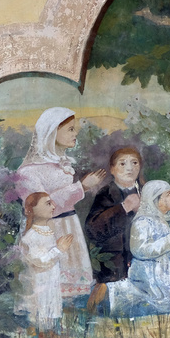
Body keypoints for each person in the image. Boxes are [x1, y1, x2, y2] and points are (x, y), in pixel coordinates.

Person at [16, 107, 106, 298]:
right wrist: (81, 187)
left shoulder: (61, 163)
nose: (76, 133)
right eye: (70, 129)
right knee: (48, 284)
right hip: (46, 230)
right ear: (52, 132)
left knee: (75, 286)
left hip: (68, 225)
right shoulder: (28, 172)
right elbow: (41, 207)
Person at [87, 180, 170, 317]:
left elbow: (161, 244)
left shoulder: (158, 220)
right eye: (169, 194)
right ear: (155, 199)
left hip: (159, 275)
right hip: (148, 276)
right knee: (160, 301)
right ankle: (109, 291)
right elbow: (139, 250)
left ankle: (110, 299)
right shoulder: (142, 221)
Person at [14, 192, 74, 331]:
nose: (53, 206)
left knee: (49, 320)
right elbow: (39, 262)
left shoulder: (48, 230)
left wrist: (60, 250)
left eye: (52, 202)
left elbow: (54, 259)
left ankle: (48, 335)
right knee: (38, 320)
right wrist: (58, 249)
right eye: (48, 203)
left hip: (50, 282)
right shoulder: (30, 236)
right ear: (32, 209)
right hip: (38, 284)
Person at [85, 147, 143, 283]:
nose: (129, 168)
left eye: (134, 163)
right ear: (112, 169)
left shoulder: (145, 192)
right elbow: (93, 229)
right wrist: (124, 208)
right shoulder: (106, 194)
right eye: (122, 164)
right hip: (113, 265)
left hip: (140, 260)